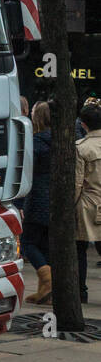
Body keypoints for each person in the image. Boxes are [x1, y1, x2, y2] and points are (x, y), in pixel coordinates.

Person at [24, 101, 54, 302]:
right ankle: (45, 290)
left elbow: (28, 174)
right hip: (57, 200)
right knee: (44, 245)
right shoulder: (66, 141)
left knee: (27, 242)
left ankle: (48, 279)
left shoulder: (35, 143)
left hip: (38, 199)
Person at [74, 103, 101, 305]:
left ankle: (81, 293)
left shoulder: (81, 147)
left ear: (84, 125)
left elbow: (77, 183)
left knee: (79, 249)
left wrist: (70, 206)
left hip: (87, 205)